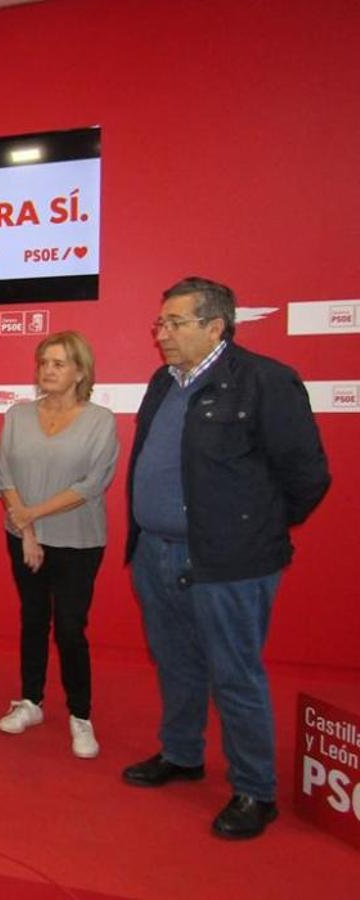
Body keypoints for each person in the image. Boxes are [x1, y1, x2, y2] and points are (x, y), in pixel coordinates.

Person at [122, 277, 329, 838]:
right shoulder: (163, 382)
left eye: (174, 323)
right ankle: (182, 754)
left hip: (229, 562)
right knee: (177, 663)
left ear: (215, 326)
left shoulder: (265, 381)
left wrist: (250, 532)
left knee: (235, 673)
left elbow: (307, 476)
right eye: (160, 323)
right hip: (156, 553)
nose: (162, 334)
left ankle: (255, 790)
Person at [0, 331, 119, 759]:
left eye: (59, 364)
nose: (47, 370)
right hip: (23, 537)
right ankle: (31, 701)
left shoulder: (100, 420)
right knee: (33, 619)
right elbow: (5, 476)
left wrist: (32, 515)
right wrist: (26, 529)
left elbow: (91, 485)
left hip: (78, 541)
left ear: (80, 372)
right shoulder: (17, 415)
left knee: (69, 627)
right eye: (43, 362)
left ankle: (80, 715)